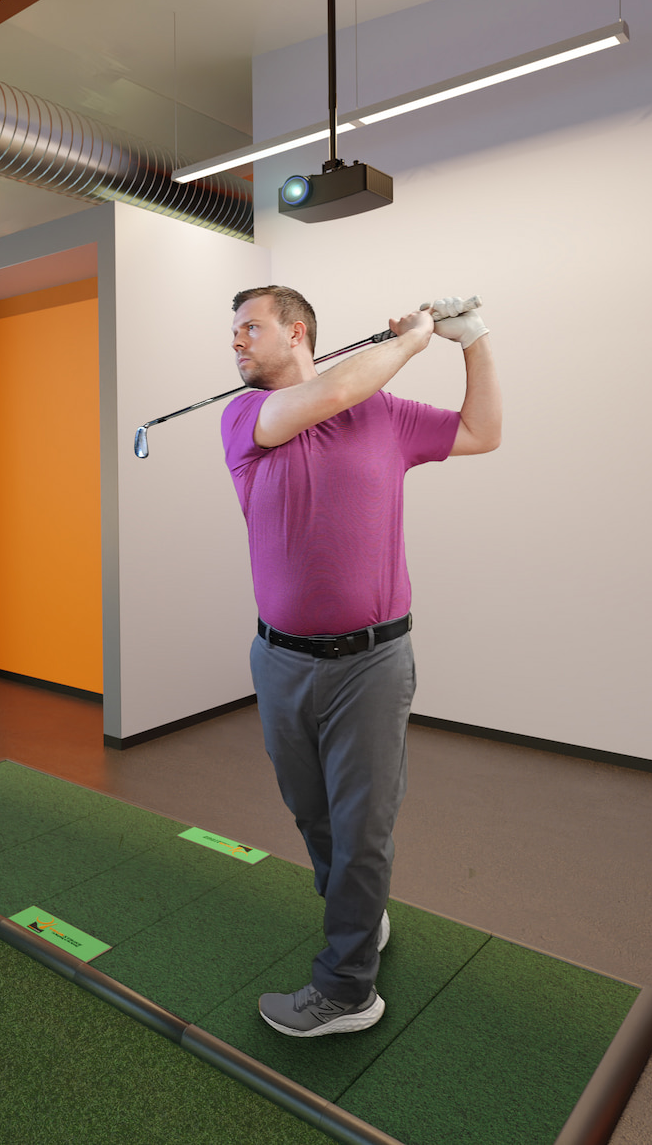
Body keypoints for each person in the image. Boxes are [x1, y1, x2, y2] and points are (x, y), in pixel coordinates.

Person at [219, 285, 501, 1037]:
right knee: (313, 815)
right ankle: (359, 915)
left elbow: (483, 432)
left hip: (372, 664)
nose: (237, 342)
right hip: (278, 662)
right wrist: (411, 342)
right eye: (234, 331)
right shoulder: (246, 417)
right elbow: (333, 388)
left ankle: (347, 990)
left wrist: (469, 341)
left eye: (251, 327)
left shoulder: (386, 415)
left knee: (363, 826)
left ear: (297, 331)